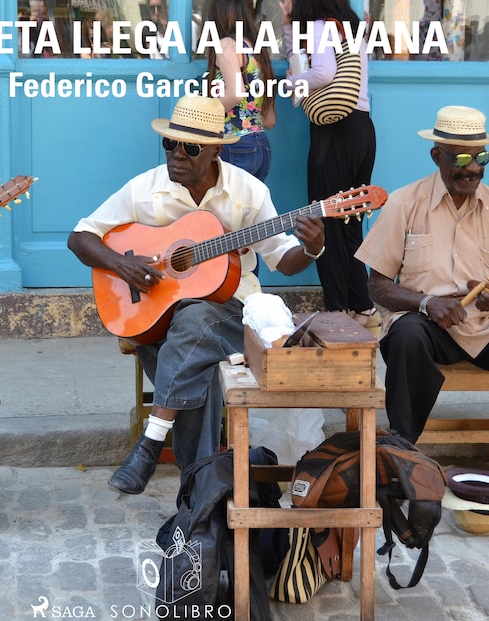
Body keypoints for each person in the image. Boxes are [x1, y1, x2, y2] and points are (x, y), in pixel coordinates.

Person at [68, 95, 325, 495]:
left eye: (189, 148)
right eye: (170, 144)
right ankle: (199, 494)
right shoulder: (145, 188)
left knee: (197, 320)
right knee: (197, 363)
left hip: (231, 314)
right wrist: (124, 266)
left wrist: (310, 248)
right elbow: (80, 236)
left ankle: (153, 444)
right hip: (157, 321)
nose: (176, 156)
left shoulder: (249, 192)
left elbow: (282, 258)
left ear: (216, 150)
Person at [355, 105, 489, 443]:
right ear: (436, 156)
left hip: (483, 327)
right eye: (460, 160)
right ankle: (401, 454)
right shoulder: (404, 202)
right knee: (406, 336)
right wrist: (428, 303)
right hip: (428, 325)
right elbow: (378, 285)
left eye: (481, 159)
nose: (472, 169)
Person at [280, 0, 379, 328]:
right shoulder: (352, 30)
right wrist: (288, 21)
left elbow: (322, 72)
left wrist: (289, 83)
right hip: (362, 129)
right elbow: (301, 55)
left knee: (327, 221)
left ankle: (339, 311)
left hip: (334, 131)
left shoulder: (322, 26)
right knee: (350, 221)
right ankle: (363, 307)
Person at [205, 0, 276, 182]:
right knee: (250, 210)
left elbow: (236, 94)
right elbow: (269, 120)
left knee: (226, 209)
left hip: (234, 144)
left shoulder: (227, 44)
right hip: (261, 145)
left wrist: (202, 112)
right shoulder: (257, 50)